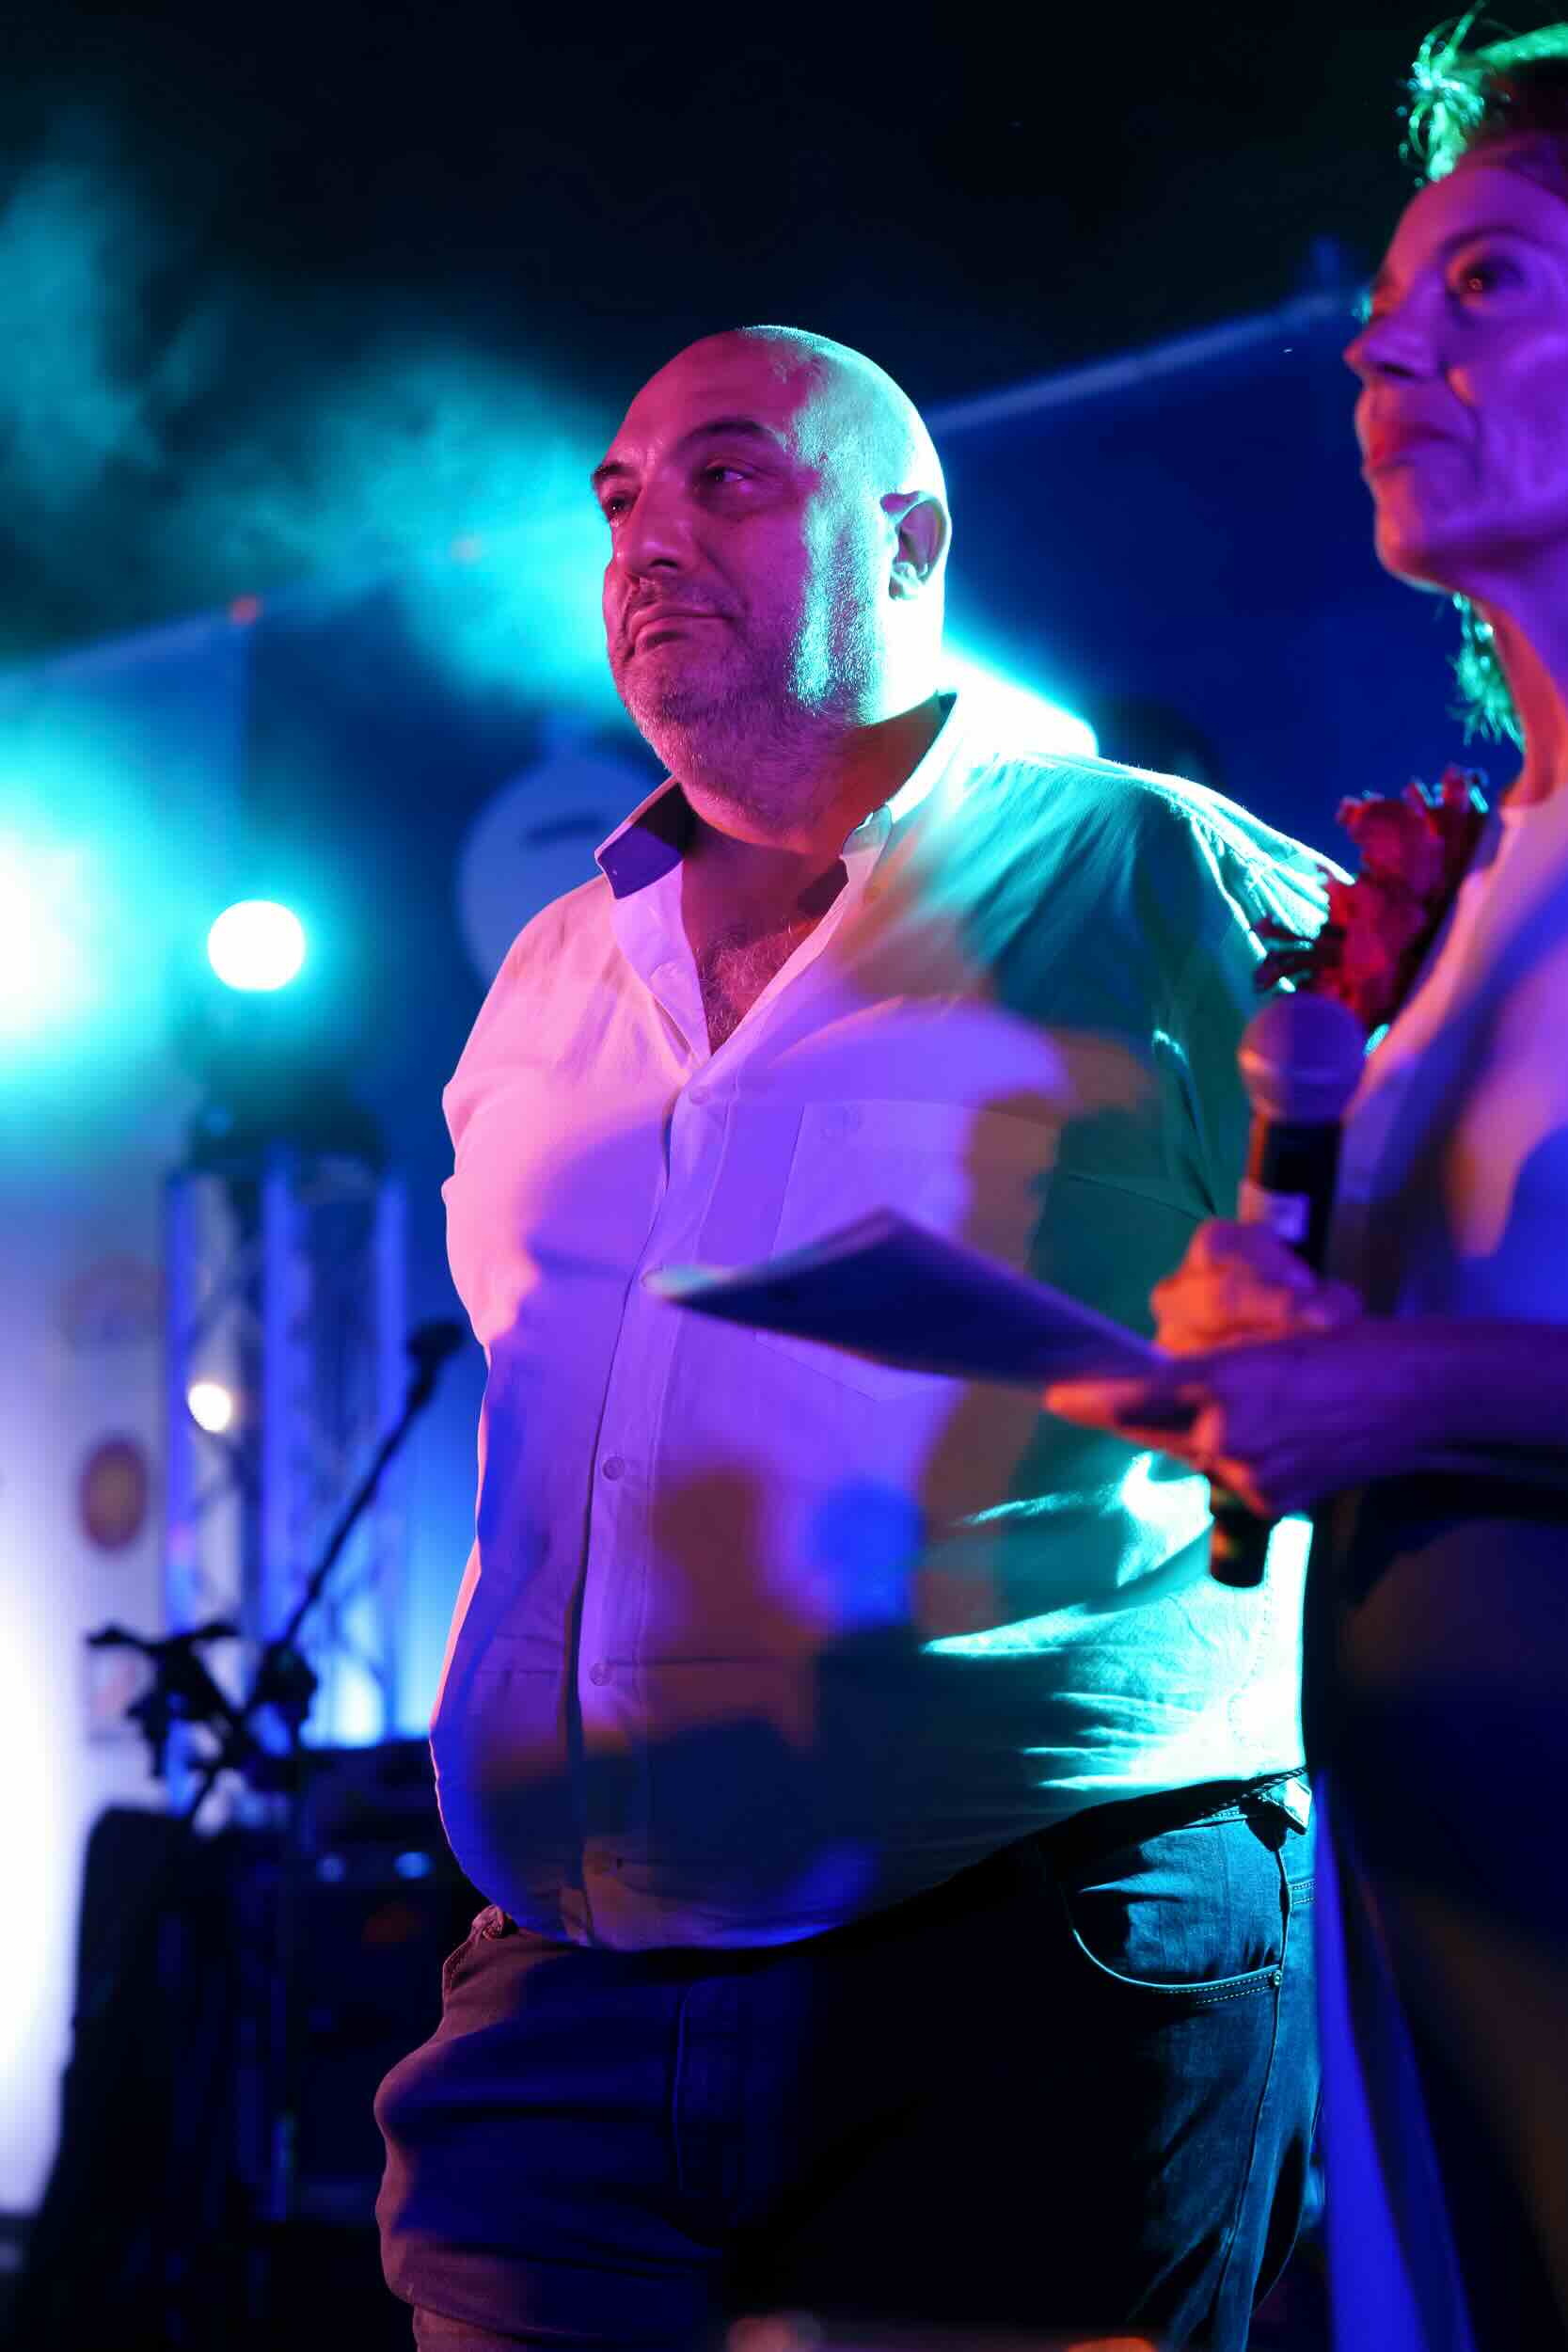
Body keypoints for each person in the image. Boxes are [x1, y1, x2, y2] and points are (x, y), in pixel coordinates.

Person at [375, 323, 1327, 2351]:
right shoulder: (548, 971)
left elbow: (1435, 1299)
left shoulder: (1152, 875)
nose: (649, 536)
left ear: (908, 539)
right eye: (620, 498)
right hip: (559, 2010)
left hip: (1033, 1976)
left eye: (727, 475)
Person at [1046, 24, 1568, 2347]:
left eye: (1488, 281)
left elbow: (1450, 1377)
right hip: (1441, 1895)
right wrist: (1259, 1342)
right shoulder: (1464, 895)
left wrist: (1409, 1389)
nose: (1378, 347)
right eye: (1383, 302)